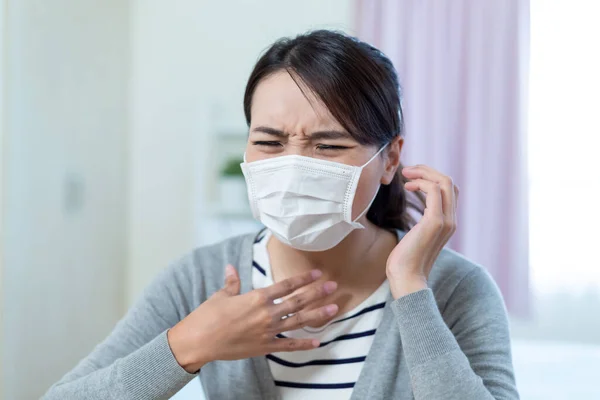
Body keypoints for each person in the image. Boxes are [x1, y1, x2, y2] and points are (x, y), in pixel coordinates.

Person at [43, 30, 519, 400]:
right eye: (269, 142)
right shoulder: (200, 278)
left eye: (328, 146)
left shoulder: (457, 289)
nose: (294, 167)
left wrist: (411, 288)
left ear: (390, 159)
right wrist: (187, 346)